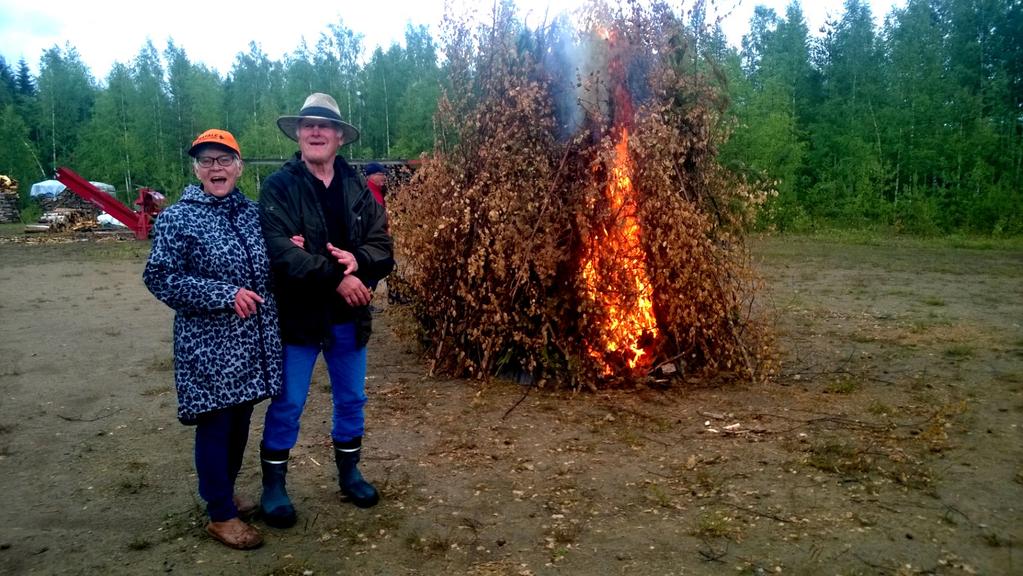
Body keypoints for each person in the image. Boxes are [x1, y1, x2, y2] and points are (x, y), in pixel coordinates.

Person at [258, 93, 394, 528]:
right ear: (298, 135)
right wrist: (338, 277)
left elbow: (382, 245)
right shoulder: (279, 187)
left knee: (352, 399)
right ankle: (274, 487)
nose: (315, 132)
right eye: (307, 125)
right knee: (288, 403)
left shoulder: (357, 187)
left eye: (324, 126)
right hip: (299, 316)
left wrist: (362, 262)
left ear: (339, 137)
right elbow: (280, 252)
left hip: (348, 316)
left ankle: (349, 473)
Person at [143, 129, 283, 550]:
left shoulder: (254, 214)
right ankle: (220, 514)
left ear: (239, 167)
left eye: (224, 159)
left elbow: (265, 269)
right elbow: (160, 277)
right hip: (208, 345)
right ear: (196, 169)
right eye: (207, 161)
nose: (216, 167)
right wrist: (224, 295)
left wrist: (288, 250)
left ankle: (224, 494)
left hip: (250, 345)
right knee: (216, 424)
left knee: (239, 422)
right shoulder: (178, 218)